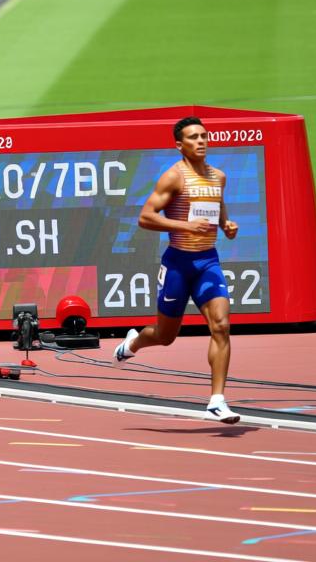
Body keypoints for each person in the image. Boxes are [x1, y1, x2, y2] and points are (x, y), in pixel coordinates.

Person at [113, 116, 242, 424]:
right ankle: (133, 343)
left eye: (204, 135)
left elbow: (217, 205)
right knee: (165, 335)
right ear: (179, 145)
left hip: (208, 261)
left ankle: (217, 400)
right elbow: (145, 217)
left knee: (221, 325)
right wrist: (185, 225)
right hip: (177, 264)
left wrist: (226, 225)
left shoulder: (218, 177)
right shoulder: (174, 177)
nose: (201, 141)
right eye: (193, 137)